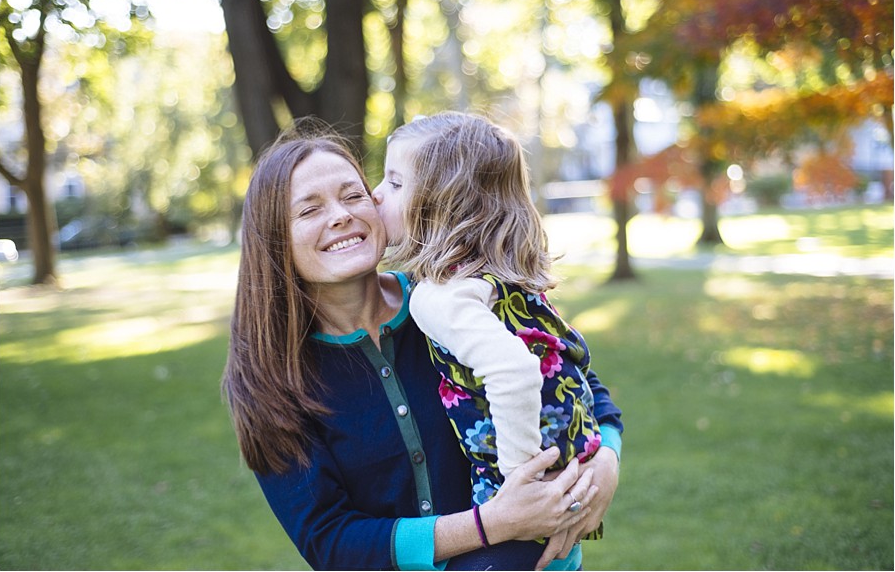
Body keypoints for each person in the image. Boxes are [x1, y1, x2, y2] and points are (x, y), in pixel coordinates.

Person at [222, 119, 622, 571]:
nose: (341, 215)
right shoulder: (270, 376)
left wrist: (605, 464)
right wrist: (492, 523)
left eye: (353, 195)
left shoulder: (454, 296)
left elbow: (570, 374)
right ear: (274, 238)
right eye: (309, 209)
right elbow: (329, 540)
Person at [373, 112, 620, 569]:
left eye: (395, 182)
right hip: (571, 474)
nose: (376, 193)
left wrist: (518, 485)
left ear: (441, 205)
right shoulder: (504, 279)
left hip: (523, 508)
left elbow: (514, 370)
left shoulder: (439, 297)